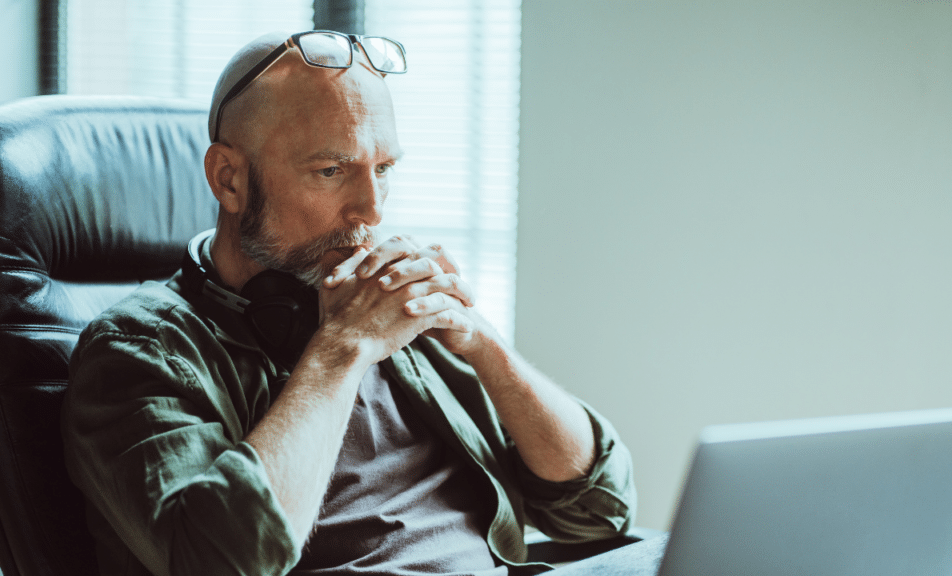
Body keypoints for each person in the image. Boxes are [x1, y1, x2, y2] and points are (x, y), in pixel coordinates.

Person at [61, 30, 636, 576]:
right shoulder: (140, 350)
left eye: (383, 169)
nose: (372, 210)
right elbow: (222, 559)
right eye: (331, 170)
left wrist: (480, 342)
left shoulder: (390, 307)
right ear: (229, 179)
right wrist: (341, 350)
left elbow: (598, 512)